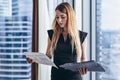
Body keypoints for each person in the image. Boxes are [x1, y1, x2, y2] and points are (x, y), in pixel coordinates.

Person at [26, 2, 88, 80]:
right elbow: (48, 56)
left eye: (62, 17)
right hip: (57, 76)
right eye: (57, 17)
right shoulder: (52, 34)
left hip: (74, 76)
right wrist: (34, 59)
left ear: (70, 17)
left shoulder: (81, 36)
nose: (59, 20)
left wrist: (84, 68)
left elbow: (83, 58)